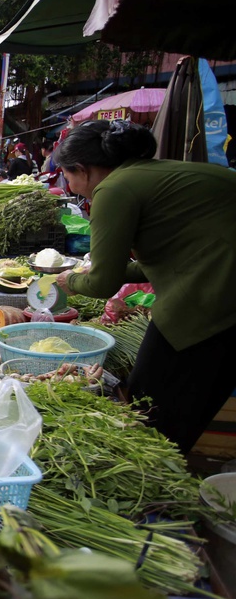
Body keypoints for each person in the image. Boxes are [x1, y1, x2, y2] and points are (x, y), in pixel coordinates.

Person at [53, 120, 236, 454]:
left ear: (82, 169)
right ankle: (169, 468)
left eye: (67, 177)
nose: (69, 186)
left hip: (211, 294)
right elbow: (157, 260)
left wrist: (73, 280)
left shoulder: (113, 188)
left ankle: (151, 471)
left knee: (148, 402)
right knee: (196, 395)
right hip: (219, 290)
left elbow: (103, 283)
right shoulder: (151, 173)